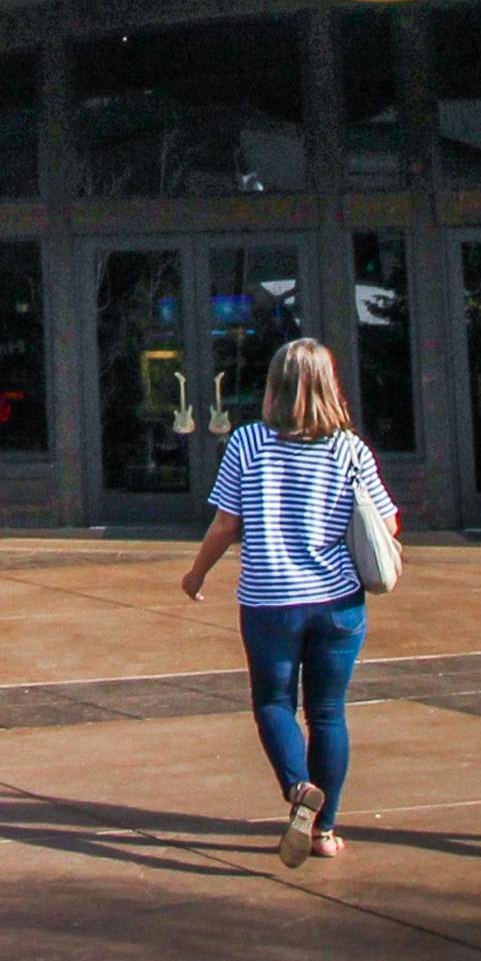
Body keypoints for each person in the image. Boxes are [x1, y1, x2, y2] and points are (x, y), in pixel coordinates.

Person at [181, 337, 399, 867]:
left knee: (275, 702)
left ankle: (300, 788)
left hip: (271, 600)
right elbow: (388, 523)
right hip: (339, 601)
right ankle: (324, 831)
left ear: (274, 385)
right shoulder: (350, 449)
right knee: (328, 712)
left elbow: (226, 523)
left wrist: (196, 572)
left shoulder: (249, 443)